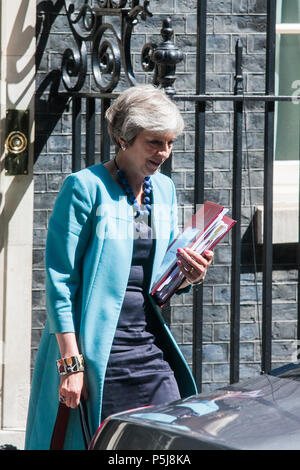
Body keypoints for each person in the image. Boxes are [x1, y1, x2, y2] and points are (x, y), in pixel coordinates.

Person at [25, 84, 213, 450]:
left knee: (169, 443)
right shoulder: (84, 188)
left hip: (147, 344)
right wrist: (71, 364)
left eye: (169, 142)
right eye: (154, 142)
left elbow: (159, 274)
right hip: (99, 351)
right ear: (125, 138)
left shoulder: (165, 189)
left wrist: (189, 275)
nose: (164, 152)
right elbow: (60, 281)